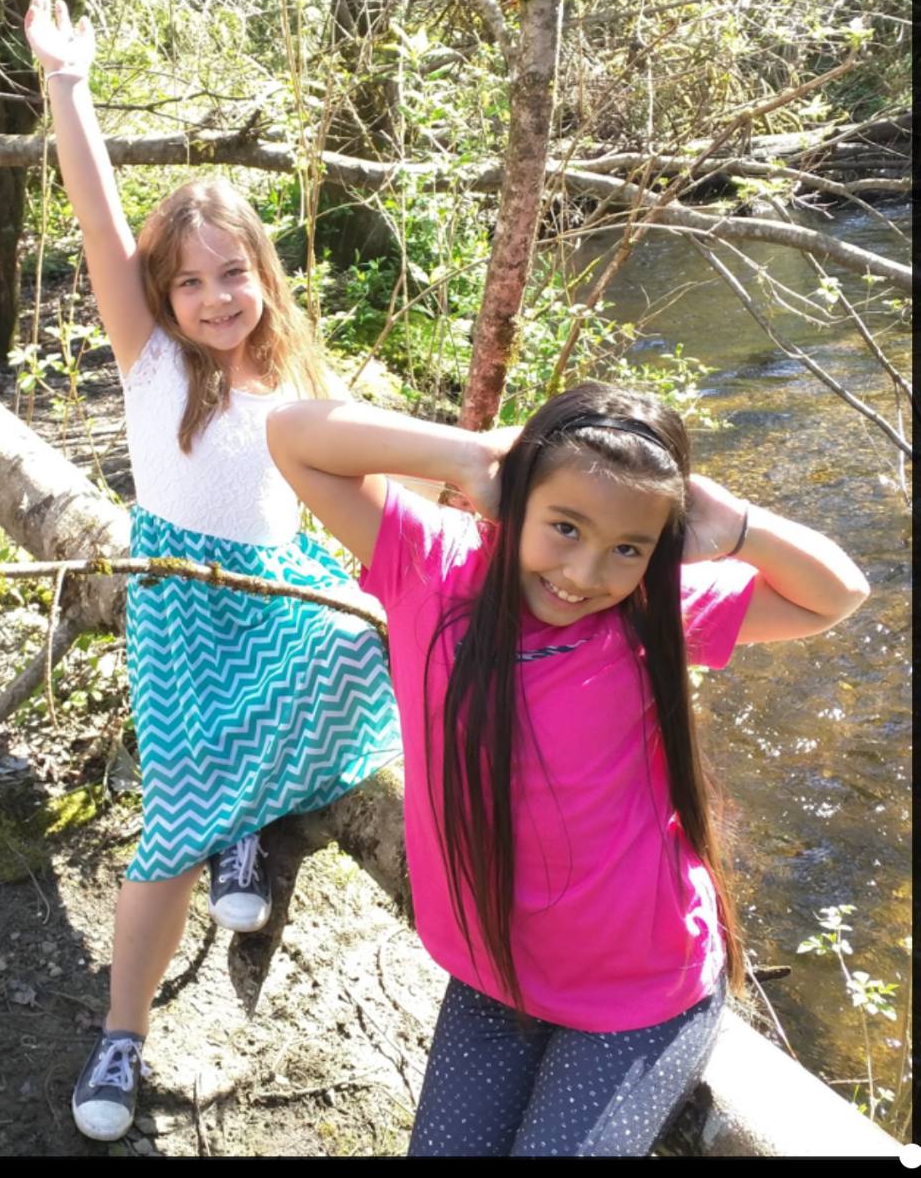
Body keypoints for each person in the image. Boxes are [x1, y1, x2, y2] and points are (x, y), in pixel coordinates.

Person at [266, 385, 869, 1156]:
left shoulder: (652, 609)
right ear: (514, 499)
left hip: (640, 987)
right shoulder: (433, 565)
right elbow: (292, 433)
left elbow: (836, 594)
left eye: (627, 547)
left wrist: (735, 527)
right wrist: (472, 456)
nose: (584, 572)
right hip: (495, 969)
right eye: (564, 526)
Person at [23, 0, 401, 1142]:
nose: (214, 298)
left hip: (275, 601)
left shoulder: (294, 382)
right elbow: (97, 218)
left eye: (231, 274)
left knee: (367, 637)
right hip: (183, 614)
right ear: (163, 296)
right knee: (172, 829)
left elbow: (377, 490)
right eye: (188, 283)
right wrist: (67, 85)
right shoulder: (148, 363)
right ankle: (121, 1034)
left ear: (263, 276)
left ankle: (256, 816)